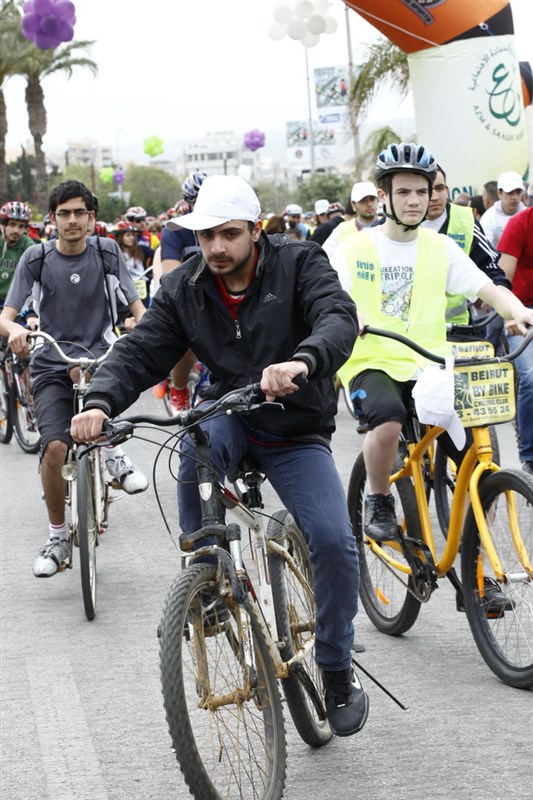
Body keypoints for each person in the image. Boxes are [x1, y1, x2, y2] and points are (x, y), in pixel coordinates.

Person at [70, 174, 368, 738]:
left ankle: (334, 666)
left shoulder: (300, 262)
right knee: (192, 453)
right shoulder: (186, 286)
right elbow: (142, 348)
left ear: (256, 231)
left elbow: (337, 318)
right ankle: (205, 578)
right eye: (206, 236)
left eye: (229, 234)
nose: (216, 248)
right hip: (228, 410)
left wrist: (303, 361)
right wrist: (101, 401)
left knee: (332, 540)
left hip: (294, 424)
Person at [331, 142, 533, 542]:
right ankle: (379, 497)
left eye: (422, 191)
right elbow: (329, 296)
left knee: (475, 456)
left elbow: (487, 287)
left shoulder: (440, 247)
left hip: (430, 362)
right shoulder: (354, 249)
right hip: (372, 360)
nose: (414, 200)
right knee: (387, 420)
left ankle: (480, 569)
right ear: (384, 196)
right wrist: (347, 314)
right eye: (403, 192)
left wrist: (519, 310)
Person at [0, 180, 149, 578]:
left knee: (102, 395)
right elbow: (7, 314)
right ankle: (58, 535)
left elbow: (136, 306)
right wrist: (14, 331)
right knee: (52, 449)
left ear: (91, 218)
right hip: (51, 363)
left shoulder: (106, 251)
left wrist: (139, 322)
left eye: (78, 212)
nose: (71, 220)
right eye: (63, 213)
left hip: (99, 360)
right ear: (52, 219)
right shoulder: (36, 257)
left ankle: (112, 455)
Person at [421, 165, 511, 352]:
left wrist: (504, 299)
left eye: (439, 188)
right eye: (427, 190)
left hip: (459, 330)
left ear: (447, 189)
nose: (435, 197)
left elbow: (491, 267)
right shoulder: (397, 224)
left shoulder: (465, 220)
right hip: (411, 334)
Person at [156, 170, 211, 411]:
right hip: (185, 290)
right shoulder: (175, 230)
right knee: (188, 335)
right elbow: (171, 274)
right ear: (188, 203)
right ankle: (178, 388)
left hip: (220, 291)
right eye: (198, 200)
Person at [497, 205, 533, 474]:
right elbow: (503, 279)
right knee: (531, 377)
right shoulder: (520, 224)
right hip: (521, 314)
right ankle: (529, 453)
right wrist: (509, 313)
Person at [322, 181, 380, 261]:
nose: (369, 204)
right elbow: (325, 257)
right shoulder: (341, 230)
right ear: (353, 205)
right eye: (363, 200)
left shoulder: (390, 225)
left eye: (372, 199)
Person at [0, 202, 36, 307]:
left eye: (21, 226)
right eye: (12, 224)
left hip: (16, 303)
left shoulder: (28, 246)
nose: (16, 230)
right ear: (3, 224)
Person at [480, 171, 527, 249]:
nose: (515, 197)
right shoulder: (489, 218)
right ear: (499, 193)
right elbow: (485, 248)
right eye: (510, 192)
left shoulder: (528, 215)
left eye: (518, 192)